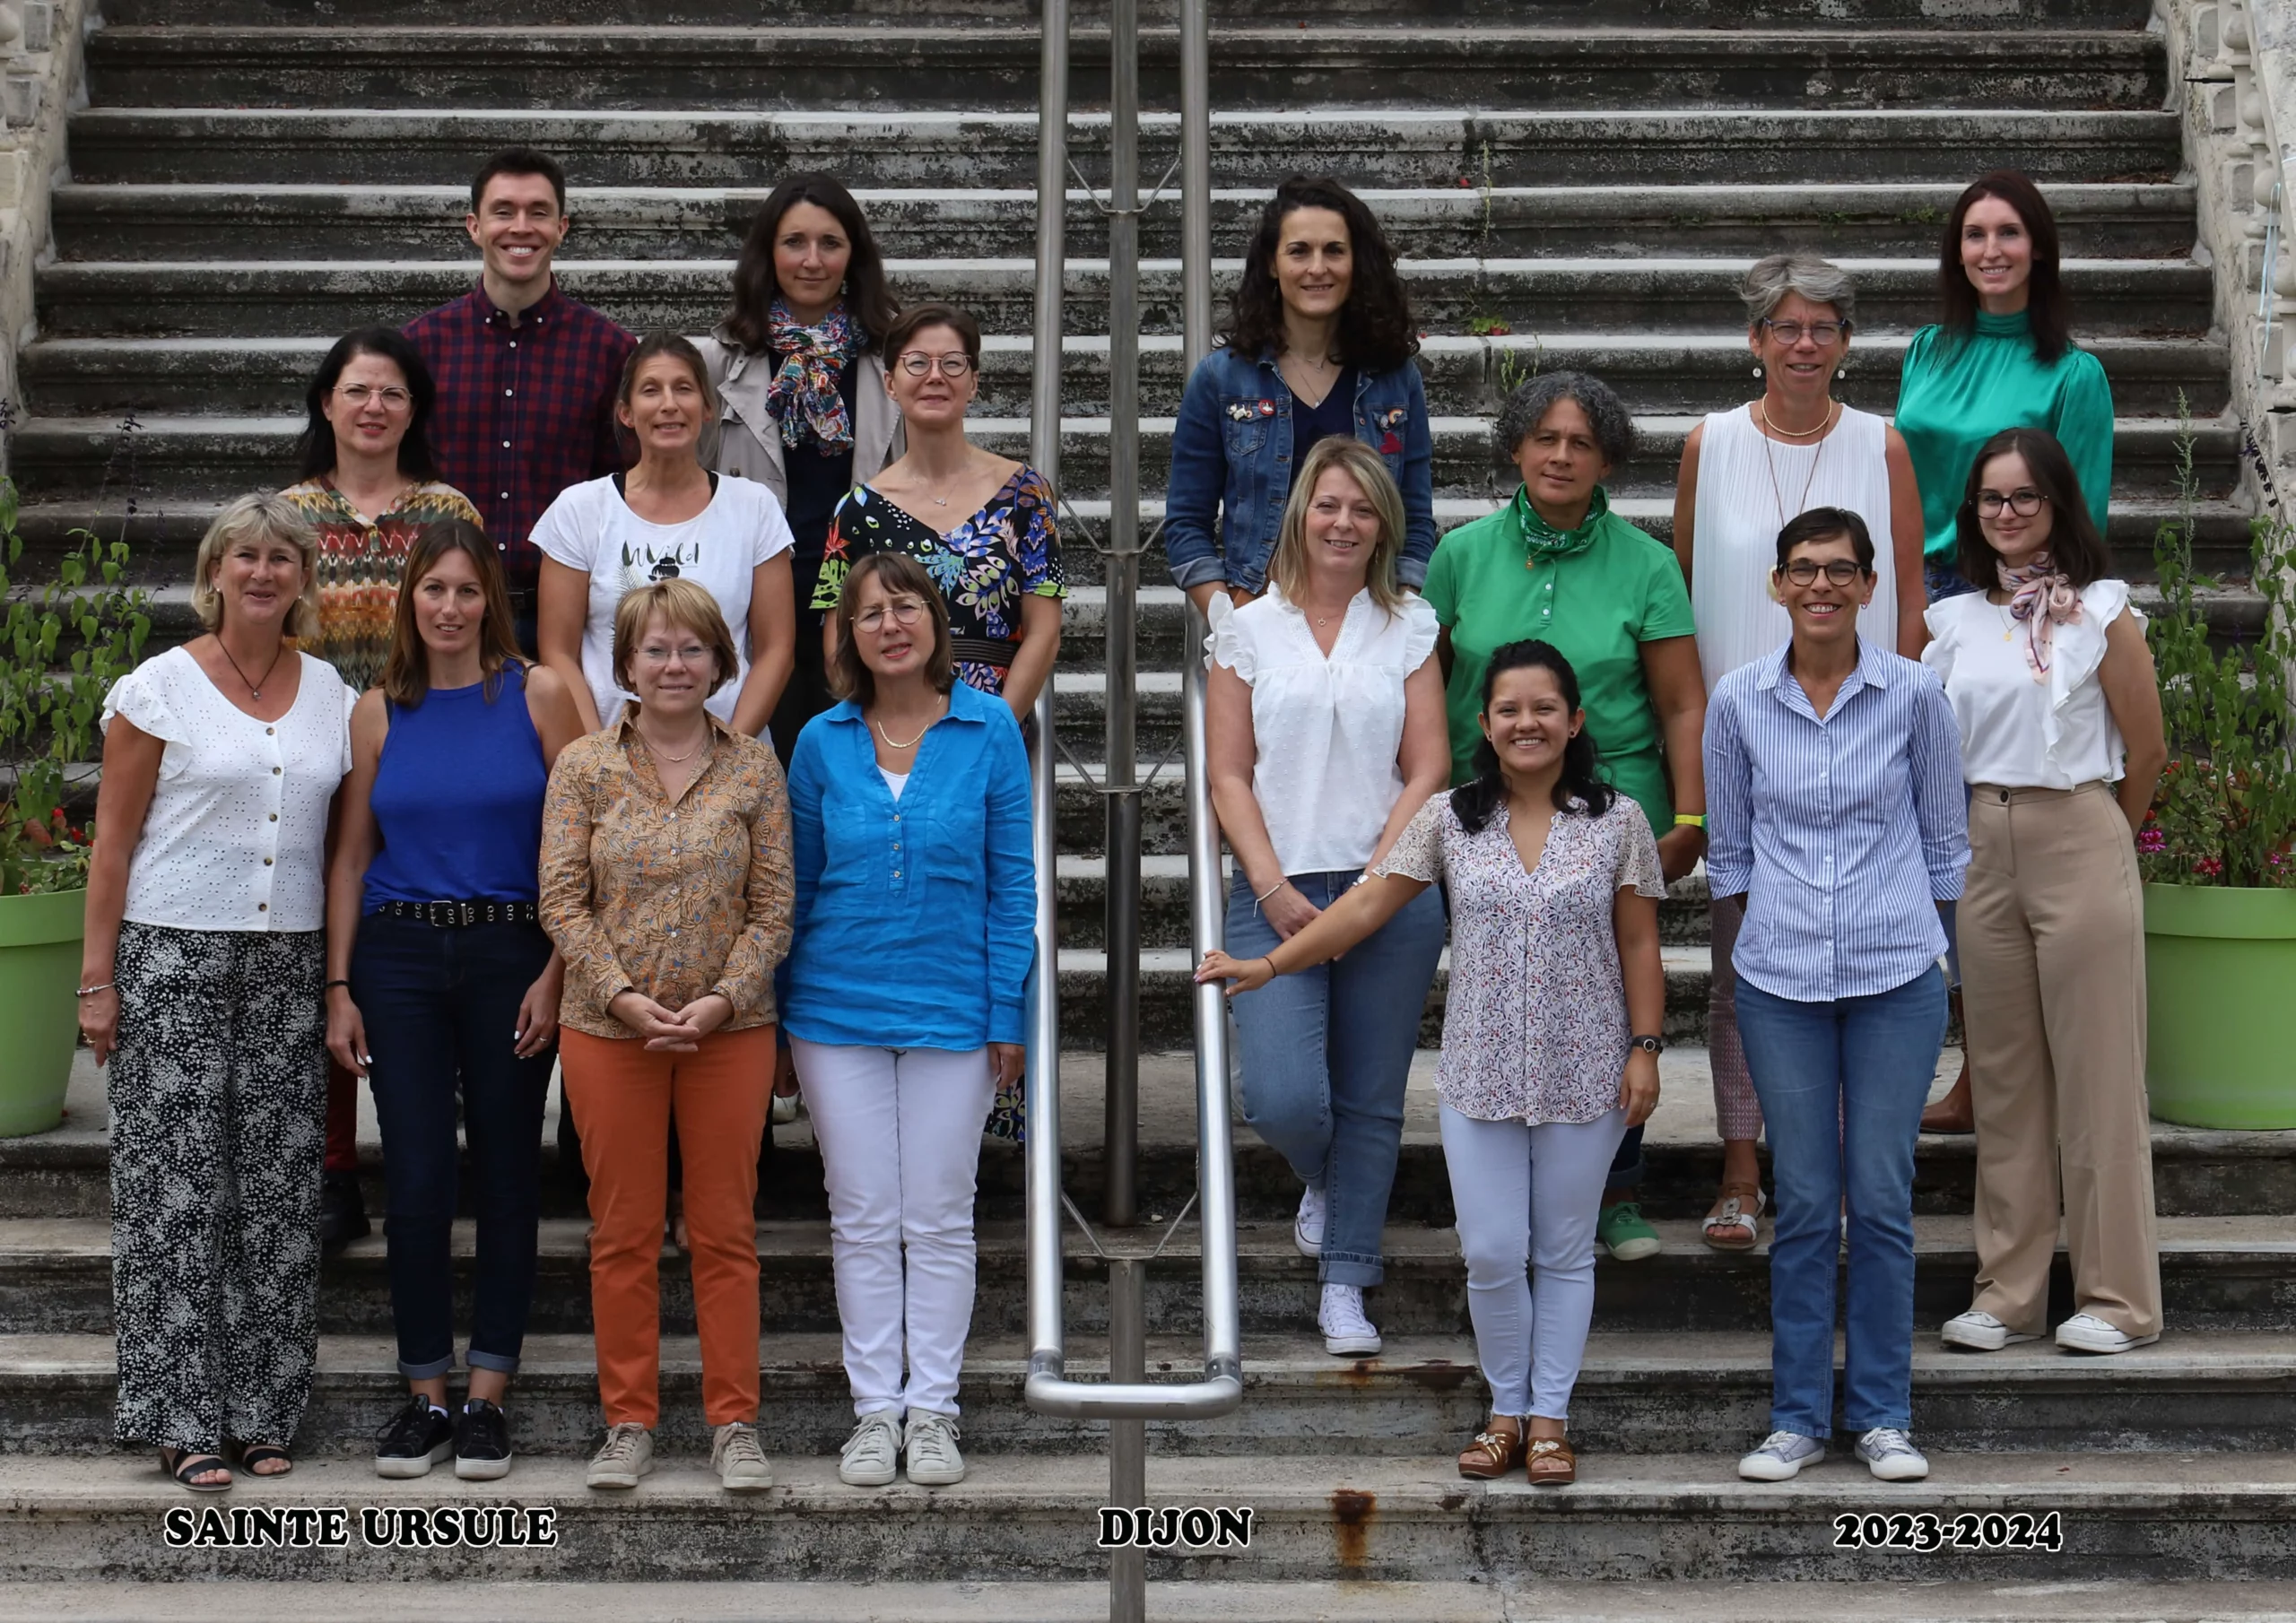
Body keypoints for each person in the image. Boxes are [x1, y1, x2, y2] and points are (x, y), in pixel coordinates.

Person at [1198, 640, 1665, 1488]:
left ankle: (1549, 1420)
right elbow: (1368, 904)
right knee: (1490, 1250)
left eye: (1545, 708)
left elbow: (1638, 941)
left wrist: (1645, 1047)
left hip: (1586, 1067)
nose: (1528, 723)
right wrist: (1269, 965)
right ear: (1483, 725)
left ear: (1575, 720)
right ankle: (1503, 1410)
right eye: (1510, 710)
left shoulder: (1617, 821)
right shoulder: (1450, 819)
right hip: (1480, 1069)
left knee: (1562, 1252)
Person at [79, 494, 357, 1493]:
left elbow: (337, 850)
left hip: (286, 964)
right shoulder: (158, 687)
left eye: (283, 556)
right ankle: (179, 1416)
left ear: (303, 579)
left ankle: (263, 1410)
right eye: (245, 555)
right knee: (176, 1193)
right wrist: (97, 981)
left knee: (277, 1196)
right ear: (215, 571)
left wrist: (335, 979)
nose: (263, 571)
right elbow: (111, 843)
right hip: (170, 959)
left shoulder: (330, 689)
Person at [1709, 508, 1970, 1486]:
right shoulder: (1738, 701)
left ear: (1869, 584)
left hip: (1894, 976)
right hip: (1779, 983)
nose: (1821, 585)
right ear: (1777, 584)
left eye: (1841, 570)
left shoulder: (1913, 696)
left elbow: (1946, 845)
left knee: (1884, 1196)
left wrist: (1938, 959)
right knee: (1809, 1199)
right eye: (1803, 570)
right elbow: (1728, 855)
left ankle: (1884, 1415)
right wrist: (1749, 966)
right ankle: (1795, 1417)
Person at [1673, 254, 1926, 1251]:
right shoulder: (1709, 443)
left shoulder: (1884, 446)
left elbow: (1904, 604)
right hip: (1747, 748)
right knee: (1744, 964)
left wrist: (1892, 731)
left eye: (1823, 328)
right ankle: (1742, 1167)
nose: (1804, 345)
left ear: (1847, 346)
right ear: (1754, 342)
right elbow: (1685, 602)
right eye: (1786, 327)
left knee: (1856, 968)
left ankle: (1840, 1171)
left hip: (1861, 745)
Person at [1422, 369, 1705, 1264]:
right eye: (1545, 437)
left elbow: (1682, 702)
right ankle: (1496, 1176)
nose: (1560, 455)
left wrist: (1691, 813)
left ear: (1607, 460)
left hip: (1614, 800)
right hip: (1484, 799)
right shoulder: (1460, 556)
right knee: (1500, 980)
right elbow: (1423, 688)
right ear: (1514, 447)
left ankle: (1610, 1186)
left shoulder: (1647, 563)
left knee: (1611, 991)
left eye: (1581, 442)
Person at [323, 521, 585, 1480]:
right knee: (422, 1178)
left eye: (466, 590)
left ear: (491, 600)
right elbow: (351, 856)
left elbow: (581, 839)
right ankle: (424, 1393)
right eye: (432, 589)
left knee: (510, 1174)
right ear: (409, 598)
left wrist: (559, 967)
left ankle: (487, 1397)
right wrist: (340, 985)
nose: (448, 606)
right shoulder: (377, 710)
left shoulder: (539, 694)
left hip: (513, 948)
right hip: (398, 956)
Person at [783, 553, 1034, 1490]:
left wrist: (1007, 1007)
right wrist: (775, 1017)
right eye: (870, 614)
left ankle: (933, 1410)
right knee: (859, 1213)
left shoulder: (989, 728)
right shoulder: (820, 740)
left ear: (935, 621)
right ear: (847, 637)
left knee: (935, 1215)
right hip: (831, 1005)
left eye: (907, 607)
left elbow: (1013, 883)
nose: (890, 624)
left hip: (955, 1005)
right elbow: (796, 885)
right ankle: (872, 1412)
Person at [539, 578, 794, 1495]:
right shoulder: (583, 767)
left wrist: (724, 999)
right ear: (627, 665)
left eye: (692, 649)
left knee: (725, 1231)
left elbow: (773, 909)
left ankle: (733, 1422)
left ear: (721, 663)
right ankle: (628, 1422)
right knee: (623, 1232)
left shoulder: (754, 768)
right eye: (655, 650)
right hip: (610, 1033)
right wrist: (622, 997)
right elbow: (562, 901)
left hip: (732, 1032)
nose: (674, 665)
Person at [1924, 430, 2167, 1358]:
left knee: (2099, 1078)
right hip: (1980, 843)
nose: (2007, 515)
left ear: (2059, 506)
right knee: (2007, 1076)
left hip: (2077, 827)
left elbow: (2144, 752)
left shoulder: (2102, 611)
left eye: (2025, 498)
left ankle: (2117, 1298)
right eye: (1991, 499)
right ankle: (2009, 1289)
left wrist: (2101, 836)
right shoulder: (1950, 623)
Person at [1205, 438, 1448, 1358]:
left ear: (1382, 523)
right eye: (1327, 505)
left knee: (1373, 1097)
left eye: (1362, 508)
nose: (1343, 523)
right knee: (1278, 1093)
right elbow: (1228, 773)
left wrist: (1384, 880)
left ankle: (1347, 1280)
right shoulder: (1245, 627)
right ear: (1299, 513)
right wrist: (1267, 884)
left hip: (1390, 885)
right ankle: (1327, 1177)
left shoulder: (1408, 624)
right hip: (1277, 881)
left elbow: (1427, 765)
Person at [1896, 170, 2115, 1135]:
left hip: (2013, 606)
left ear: (2038, 249)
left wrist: (2031, 611)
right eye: (1974, 234)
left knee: (1991, 837)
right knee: (1929, 836)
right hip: (1926, 603)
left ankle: (1995, 1075)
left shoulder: (2073, 371)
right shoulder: (1924, 349)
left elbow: (2081, 509)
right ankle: (1971, 1050)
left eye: (2008, 233)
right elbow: (1906, 490)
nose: (1990, 250)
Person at [283, 325, 485, 1258]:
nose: (374, 407)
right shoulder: (287, 516)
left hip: (424, 759)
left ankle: (437, 1154)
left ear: (415, 409)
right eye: (357, 390)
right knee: (325, 960)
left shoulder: (447, 509)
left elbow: (473, 628)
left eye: (392, 393)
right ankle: (330, 1168)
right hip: (311, 762)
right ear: (327, 402)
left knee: (415, 959)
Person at [696, 172, 906, 766]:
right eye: (794, 242)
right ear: (768, 252)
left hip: (859, 590)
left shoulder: (891, 358)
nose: (811, 260)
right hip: (754, 594)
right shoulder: (718, 361)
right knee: (763, 767)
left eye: (830, 243)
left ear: (853, 254)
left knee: (853, 771)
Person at [1165, 174, 1435, 614]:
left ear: (1356, 262)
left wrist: (1398, 612)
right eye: (1298, 251)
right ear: (1273, 264)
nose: (1317, 268)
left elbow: (1415, 518)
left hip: (1368, 618)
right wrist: (1233, 622)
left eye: (1334, 250)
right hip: (1258, 611)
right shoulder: (1220, 380)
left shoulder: (1396, 379)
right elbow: (1185, 524)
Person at [405, 146, 635, 655]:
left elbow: (626, 487)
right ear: (474, 225)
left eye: (538, 212)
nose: (521, 227)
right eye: (503, 211)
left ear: (562, 227)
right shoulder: (421, 347)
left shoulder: (609, 350)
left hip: (566, 617)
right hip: (448, 614)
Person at [536, 330, 798, 738]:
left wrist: (730, 752)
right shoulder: (580, 509)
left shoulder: (754, 507)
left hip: (730, 753)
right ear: (626, 411)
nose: (669, 405)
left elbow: (777, 651)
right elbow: (557, 651)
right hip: (611, 759)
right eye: (651, 391)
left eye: (684, 389)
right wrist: (598, 753)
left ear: (707, 407)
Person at [816, 303, 1063, 721]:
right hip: (892, 733)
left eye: (952, 363)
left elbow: (1044, 631)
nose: (935, 376)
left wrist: (992, 731)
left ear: (973, 383)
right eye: (917, 363)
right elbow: (837, 643)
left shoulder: (1025, 494)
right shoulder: (857, 509)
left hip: (995, 722)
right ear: (890, 383)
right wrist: (889, 733)